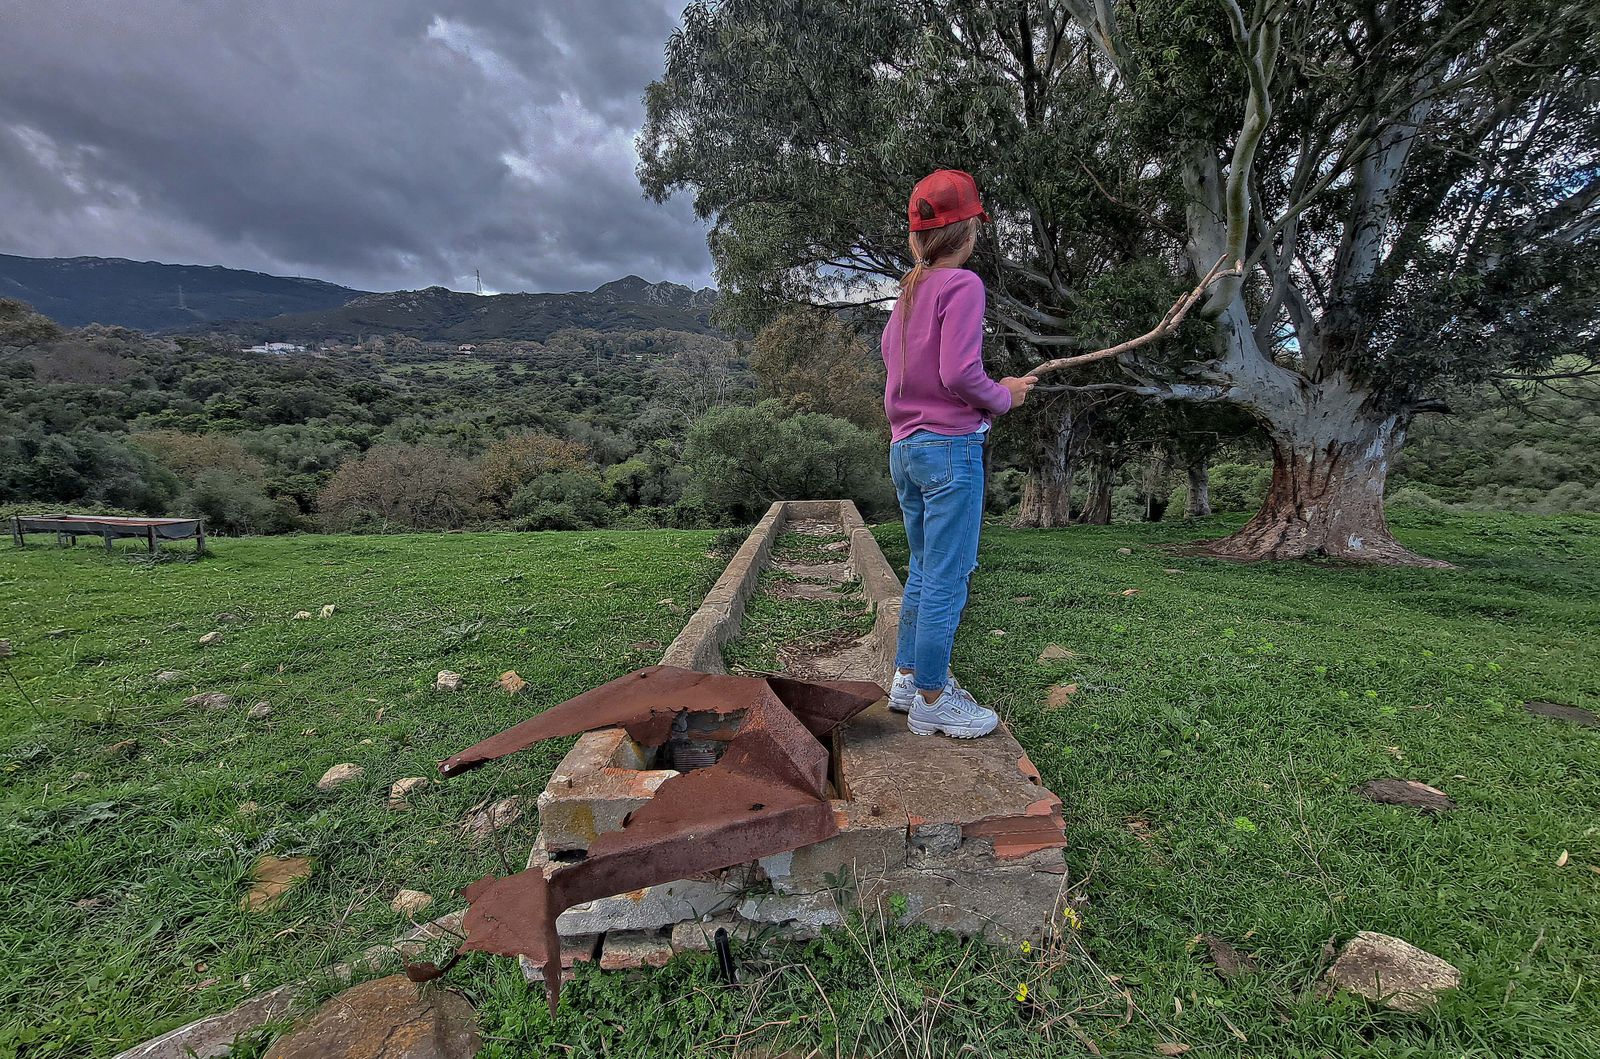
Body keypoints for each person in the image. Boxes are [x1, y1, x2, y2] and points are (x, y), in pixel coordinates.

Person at [881, 169, 1036, 738]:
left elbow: (904, 375)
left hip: (906, 450)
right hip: (950, 452)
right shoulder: (963, 285)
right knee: (949, 573)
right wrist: (1005, 397)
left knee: (923, 567)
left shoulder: (907, 295)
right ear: (968, 230)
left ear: (917, 237)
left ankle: (906, 678)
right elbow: (959, 373)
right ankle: (932, 696)